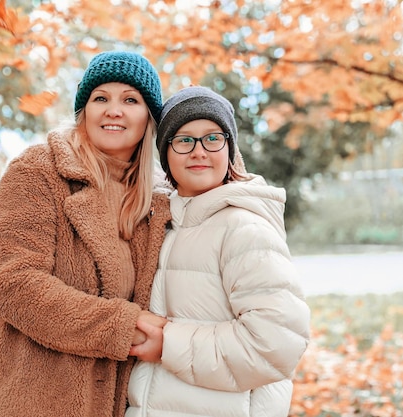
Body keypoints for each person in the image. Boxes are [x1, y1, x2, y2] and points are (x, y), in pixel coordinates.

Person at [0, 51, 172, 417]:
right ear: (84, 111)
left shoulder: (156, 199)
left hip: (116, 400)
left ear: (149, 118)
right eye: (100, 98)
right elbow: (11, 281)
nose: (113, 110)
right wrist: (121, 326)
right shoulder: (39, 171)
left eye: (130, 99)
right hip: (30, 392)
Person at [126, 86, 311, 417]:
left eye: (212, 138)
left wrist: (169, 344)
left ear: (229, 149)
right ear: (165, 154)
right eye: (184, 140)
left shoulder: (244, 229)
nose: (199, 151)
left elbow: (276, 345)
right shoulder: (161, 226)